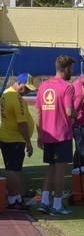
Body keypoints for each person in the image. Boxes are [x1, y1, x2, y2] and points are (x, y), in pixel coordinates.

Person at [35, 56, 76, 215]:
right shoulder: (67, 87)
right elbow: (68, 111)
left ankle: (45, 201)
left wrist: (39, 135)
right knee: (60, 171)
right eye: (71, 69)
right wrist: (76, 113)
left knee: (51, 168)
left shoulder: (43, 86)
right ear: (65, 69)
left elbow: (38, 112)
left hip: (47, 133)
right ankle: (57, 205)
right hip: (61, 134)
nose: (72, 72)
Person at [0, 73, 36, 210]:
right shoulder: (15, 97)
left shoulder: (6, 93)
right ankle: (13, 199)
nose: (27, 91)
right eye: (25, 88)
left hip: (9, 137)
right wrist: (28, 142)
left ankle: (16, 197)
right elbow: (22, 123)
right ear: (19, 83)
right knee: (13, 170)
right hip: (14, 139)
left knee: (13, 169)